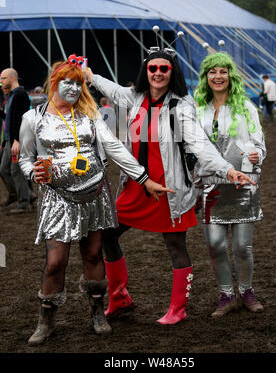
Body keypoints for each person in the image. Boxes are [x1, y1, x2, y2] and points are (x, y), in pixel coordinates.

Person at [85, 47, 255, 326]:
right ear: (146, 71)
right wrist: (89, 75)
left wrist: (227, 169)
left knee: (175, 246)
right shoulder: (136, 97)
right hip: (136, 186)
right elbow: (114, 90)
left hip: (169, 190)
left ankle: (179, 308)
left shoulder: (181, 106)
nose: (158, 73)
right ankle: (119, 297)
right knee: (108, 234)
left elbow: (200, 145)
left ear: (172, 72)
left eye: (164, 69)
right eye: (153, 68)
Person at [19, 55, 172, 345]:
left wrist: (144, 179)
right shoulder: (33, 117)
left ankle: (97, 312)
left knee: (92, 255)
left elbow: (113, 147)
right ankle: (46, 320)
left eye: (79, 84)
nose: (75, 90)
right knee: (55, 262)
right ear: (54, 82)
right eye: (68, 83)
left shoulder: (90, 114)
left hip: (95, 195)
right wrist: (33, 173)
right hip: (57, 199)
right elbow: (26, 159)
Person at [194, 52, 266, 318]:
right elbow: (195, 147)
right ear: (206, 77)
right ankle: (226, 295)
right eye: (213, 72)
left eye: (223, 71)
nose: (218, 77)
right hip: (212, 185)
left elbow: (259, 142)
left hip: (244, 185)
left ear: (230, 76)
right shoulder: (197, 109)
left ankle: (247, 292)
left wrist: (259, 154)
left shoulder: (245, 107)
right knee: (215, 244)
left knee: (242, 247)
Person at [0, 68, 31, 211]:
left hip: (15, 141)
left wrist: (17, 140)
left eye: (3, 78)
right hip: (9, 140)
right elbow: (10, 119)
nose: (1, 82)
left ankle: (24, 202)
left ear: (12, 78)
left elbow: (21, 120)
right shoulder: (12, 95)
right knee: (4, 169)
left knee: (15, 171)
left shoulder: (20, 94)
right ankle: (21, 194)